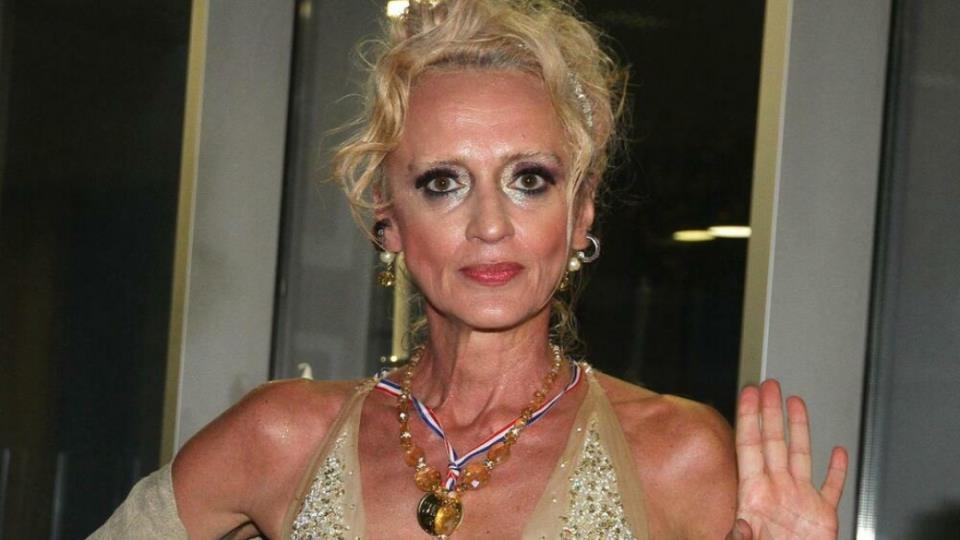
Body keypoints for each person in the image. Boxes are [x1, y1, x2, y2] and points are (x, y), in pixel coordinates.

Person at [92, 0, 848, 538]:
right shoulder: (278, 437)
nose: (490, 225)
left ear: (581, 211)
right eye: (443, 183)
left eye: (530, 179)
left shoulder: (676, 457)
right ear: (387, 216)